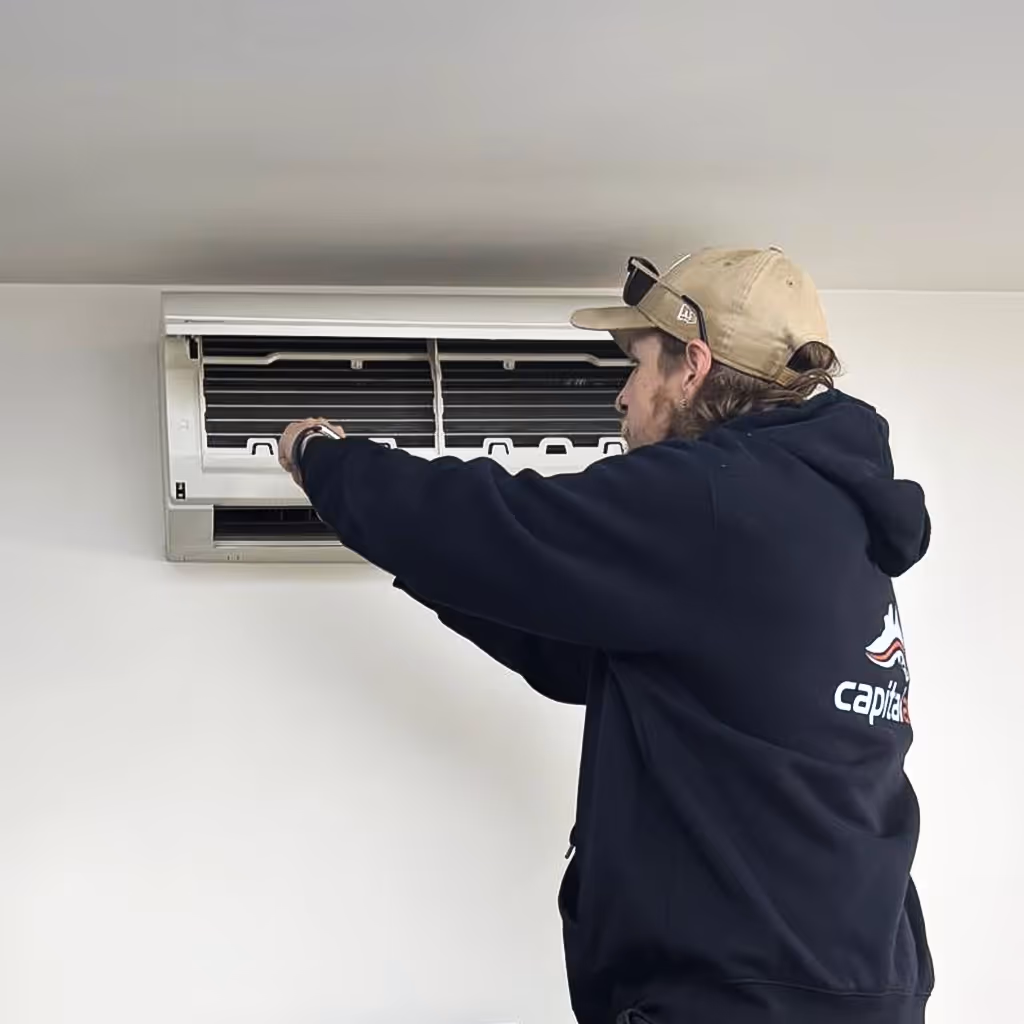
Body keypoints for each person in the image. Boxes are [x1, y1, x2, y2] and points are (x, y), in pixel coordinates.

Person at [278, 247, 933, 1024]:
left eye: (637, 365)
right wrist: (438, 570)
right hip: (849, 989)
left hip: (738, 999)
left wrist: (324, 460)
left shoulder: (715, 498)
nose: (623, 395)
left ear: (694, 366)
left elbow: (503, 529)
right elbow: (579, 654)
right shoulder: (824, 522)